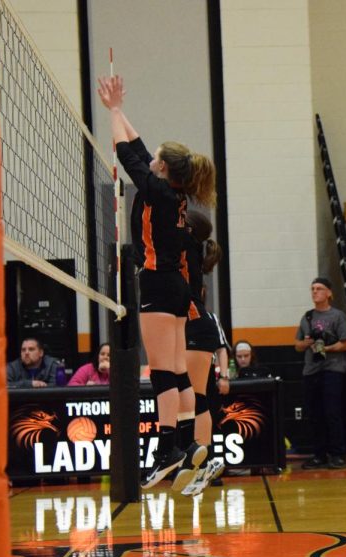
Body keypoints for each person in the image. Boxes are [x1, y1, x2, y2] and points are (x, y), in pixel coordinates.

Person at [97, 75, 215, 490]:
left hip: (159, 285)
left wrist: (112, 111)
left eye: (157, 160)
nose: (151, 161)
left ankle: (168, 449)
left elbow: (126, 151)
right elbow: (140, 148)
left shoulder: (154, 190)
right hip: (174, 288)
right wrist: (118, 108)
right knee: (177, 371)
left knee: (163, 371)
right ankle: (185, 442)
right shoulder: (171, 191)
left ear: (163, 169)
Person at [180, 210, 228, 496]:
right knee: (190, 398)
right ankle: (201, 460)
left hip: (196, 327)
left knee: (194, 398)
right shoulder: (189, 254)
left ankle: (201, 460)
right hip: (189, 327)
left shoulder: (188, 253)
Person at [294, 277, 346, 469]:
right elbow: (297, 345)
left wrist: (327, 348)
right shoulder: (307, 317)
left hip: (332, 369)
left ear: (328, 293)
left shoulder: (337, 316)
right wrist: (307, 344)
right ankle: (319, 454)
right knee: (314, 414)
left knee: (332, 412)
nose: (314, 292)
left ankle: (337, 454)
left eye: (319, 288)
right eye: (312, 289)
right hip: (311, 370)